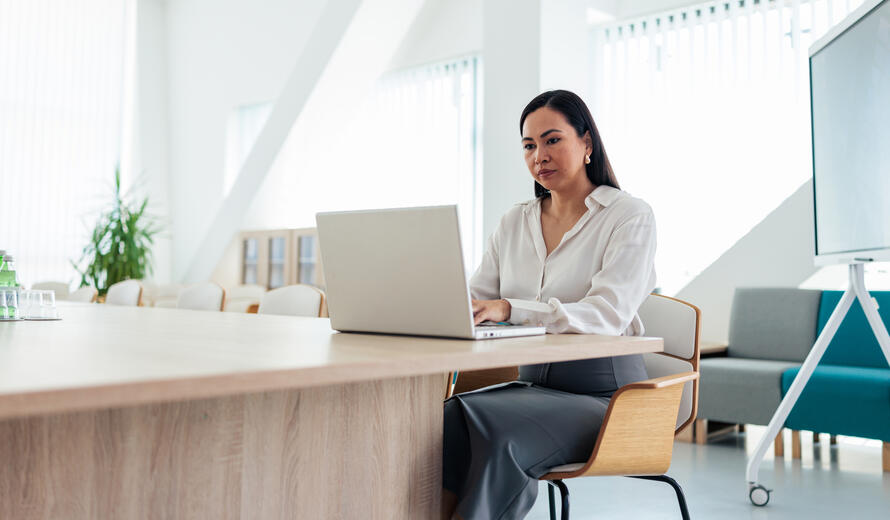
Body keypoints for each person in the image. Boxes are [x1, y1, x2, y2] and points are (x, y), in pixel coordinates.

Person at [441, 90, 657, 520]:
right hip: (533, 387)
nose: (539, 154)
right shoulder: (514, 221)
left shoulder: (628, 215)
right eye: (529, 145)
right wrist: (449, 307)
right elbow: (479, 301)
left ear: (587, 143)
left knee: (498, 433)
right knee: (444, 420)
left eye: (552, 140)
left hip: (607, 397)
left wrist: (510, 308)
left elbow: (607, 315)